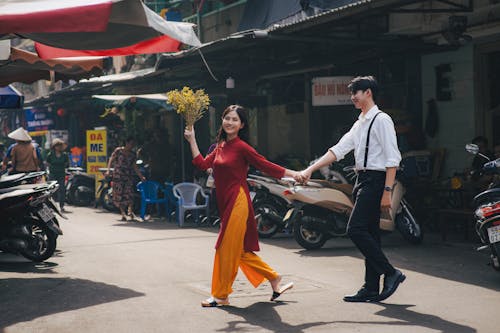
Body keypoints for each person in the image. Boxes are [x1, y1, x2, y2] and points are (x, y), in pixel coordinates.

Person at [298, 76, 405, 303]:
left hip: (376, 181)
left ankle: (391, 272)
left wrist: (387, 191)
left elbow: (392, 158)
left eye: (356, 92)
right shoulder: (360, 123)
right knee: (370, 235)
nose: (352, 97)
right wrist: (311, 169)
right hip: (362, 180)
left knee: (355, 229)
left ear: (368, 93)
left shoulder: (382, 120)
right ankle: (370, 287)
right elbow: (338, 150)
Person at [184, 105, 296, 307]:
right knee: (239, 251)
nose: (230, 122)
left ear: (242, 124)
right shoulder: (220, 146)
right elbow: (202, 164)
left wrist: (294, 174)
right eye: (227, 118)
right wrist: (192, 139)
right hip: (225, 203)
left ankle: (221, 295)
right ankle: (274, 278)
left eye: (235, 120)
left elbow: (266, 165)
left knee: (224, 248)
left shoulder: (242, 147)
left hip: (238, 201)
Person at [106, 137, 146, 221]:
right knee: (119, 195)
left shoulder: (132, 154)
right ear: (126, 143)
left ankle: (130, 211)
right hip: (118, 176)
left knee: (130, 194)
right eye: (131, 144)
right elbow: (111, 160)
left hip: (128, 176)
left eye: (133, 144)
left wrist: (141, 176)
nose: (132, 146)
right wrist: (108, 170)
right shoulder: (118, 151)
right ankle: (123, 213)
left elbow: (134, 166)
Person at [46, 138, 69, 212]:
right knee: (51, 191)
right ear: (54, 146)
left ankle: (61, 206)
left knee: (62, 190)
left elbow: (66, 164)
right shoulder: (50, 154)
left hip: (61, 174)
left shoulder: (64, 155)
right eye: (58, 146)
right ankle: (50, 206)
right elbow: (47, 163)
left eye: (60, 146)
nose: (59, 147)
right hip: (52, 174)